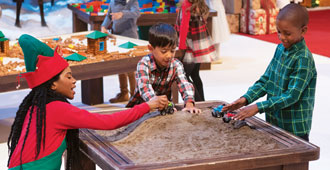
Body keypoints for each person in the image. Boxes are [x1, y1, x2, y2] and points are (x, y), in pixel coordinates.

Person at [7, 34, 168, 170]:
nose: (74, 81)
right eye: (69, 76)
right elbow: (109, 122)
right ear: (53, 84)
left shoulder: (39, 105)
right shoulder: (57, 109)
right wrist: (148, 105)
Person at [222, 4, 317, 141]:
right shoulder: (280, 49)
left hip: (294, 126)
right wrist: (246, 99)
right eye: (279, 31)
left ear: (303, 31)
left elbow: (291, 96)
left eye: (287, 33)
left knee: (293, 161)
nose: (282, 37)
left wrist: (259, 107)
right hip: (274, 120)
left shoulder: (303, 58)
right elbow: (267, 80)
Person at [126, 23, 201, 113]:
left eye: (172, 50)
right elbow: (145, 89)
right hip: (141, 108)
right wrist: (157, 103)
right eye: (164, 51)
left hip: (164, 108)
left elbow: (184, 84)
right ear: (151, 48)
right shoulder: (144, 64)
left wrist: (189, 103)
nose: (169, 55)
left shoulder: (176, 65)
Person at [175, 0, 217, 101]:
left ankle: (197, 102)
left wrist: (181, 47)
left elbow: (184, 26)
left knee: (185, 75)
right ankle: (202, 101)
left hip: (190, 46)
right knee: (195, 74)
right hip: (199, 44)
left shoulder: (187, 5)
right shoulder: (199, 3)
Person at [101, 0, 140, 103]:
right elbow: (109, 16)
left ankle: (134, 95)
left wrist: (122, 14)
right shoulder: (113, 2)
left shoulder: (132, 2)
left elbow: (136, 13)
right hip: (117, 37)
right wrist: (104, 26)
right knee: (120, 67)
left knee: (131, 69)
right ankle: (124, 93)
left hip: (130, 39)